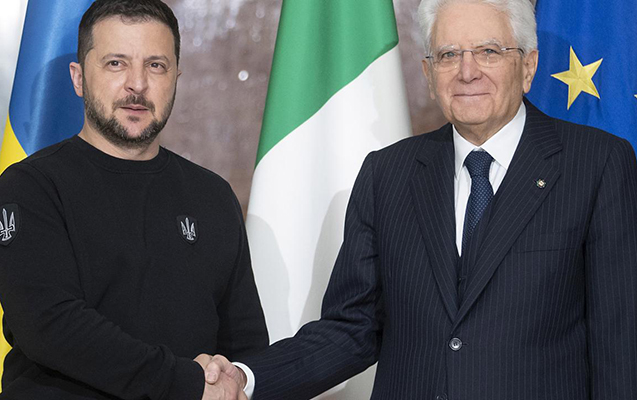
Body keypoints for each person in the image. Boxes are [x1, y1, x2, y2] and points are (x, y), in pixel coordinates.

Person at [203, 0, 637, 398]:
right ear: (429, 75)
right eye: (448, 55)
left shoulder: (596, 164)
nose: (467, 71)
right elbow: (352, 329)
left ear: (528, 66)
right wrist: (247, 377)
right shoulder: (387, 174)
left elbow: (618, 341)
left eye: (488, 51)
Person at [0, 0, 268, 399]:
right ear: (78, 78)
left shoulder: (213, 196)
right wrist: (188, 384)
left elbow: (245, 344)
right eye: (116, 64)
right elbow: (51, 327)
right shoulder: (29, 187)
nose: (137, 85)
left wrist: (234, 381)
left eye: (156, 65)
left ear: (176, 77)